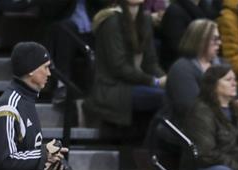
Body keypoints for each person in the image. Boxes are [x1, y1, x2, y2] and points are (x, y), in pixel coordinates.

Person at [0, 42, 56, 170]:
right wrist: (43, 154)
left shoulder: (26, 101)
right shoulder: (9, 106)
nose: (49, 73)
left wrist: (47, 163)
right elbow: (5, 159)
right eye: (45, 67)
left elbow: (25, 153)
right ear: (31, 70)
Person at [86, 0, 167, 130]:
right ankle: (153, 144)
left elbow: (150, 63)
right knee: (164, 98)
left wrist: (166, 79)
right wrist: (154, 81)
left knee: (174, 92)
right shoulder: (111, 21)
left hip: (136, 84)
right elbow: (119, 68)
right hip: (113, 88)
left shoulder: (144, 20)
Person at [165, 19, 224, 126]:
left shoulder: (221, 64)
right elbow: (191, 109)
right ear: (200, 41)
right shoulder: (181, 69)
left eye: (219, 38)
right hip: (189, 129)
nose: (219, 43)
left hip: (219, 125)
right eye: (215, 39)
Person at [160, 0, 223, 68]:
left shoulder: (206, 9)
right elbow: (178, 48)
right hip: (181, 64)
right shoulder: (175, 12)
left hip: (207, 60)